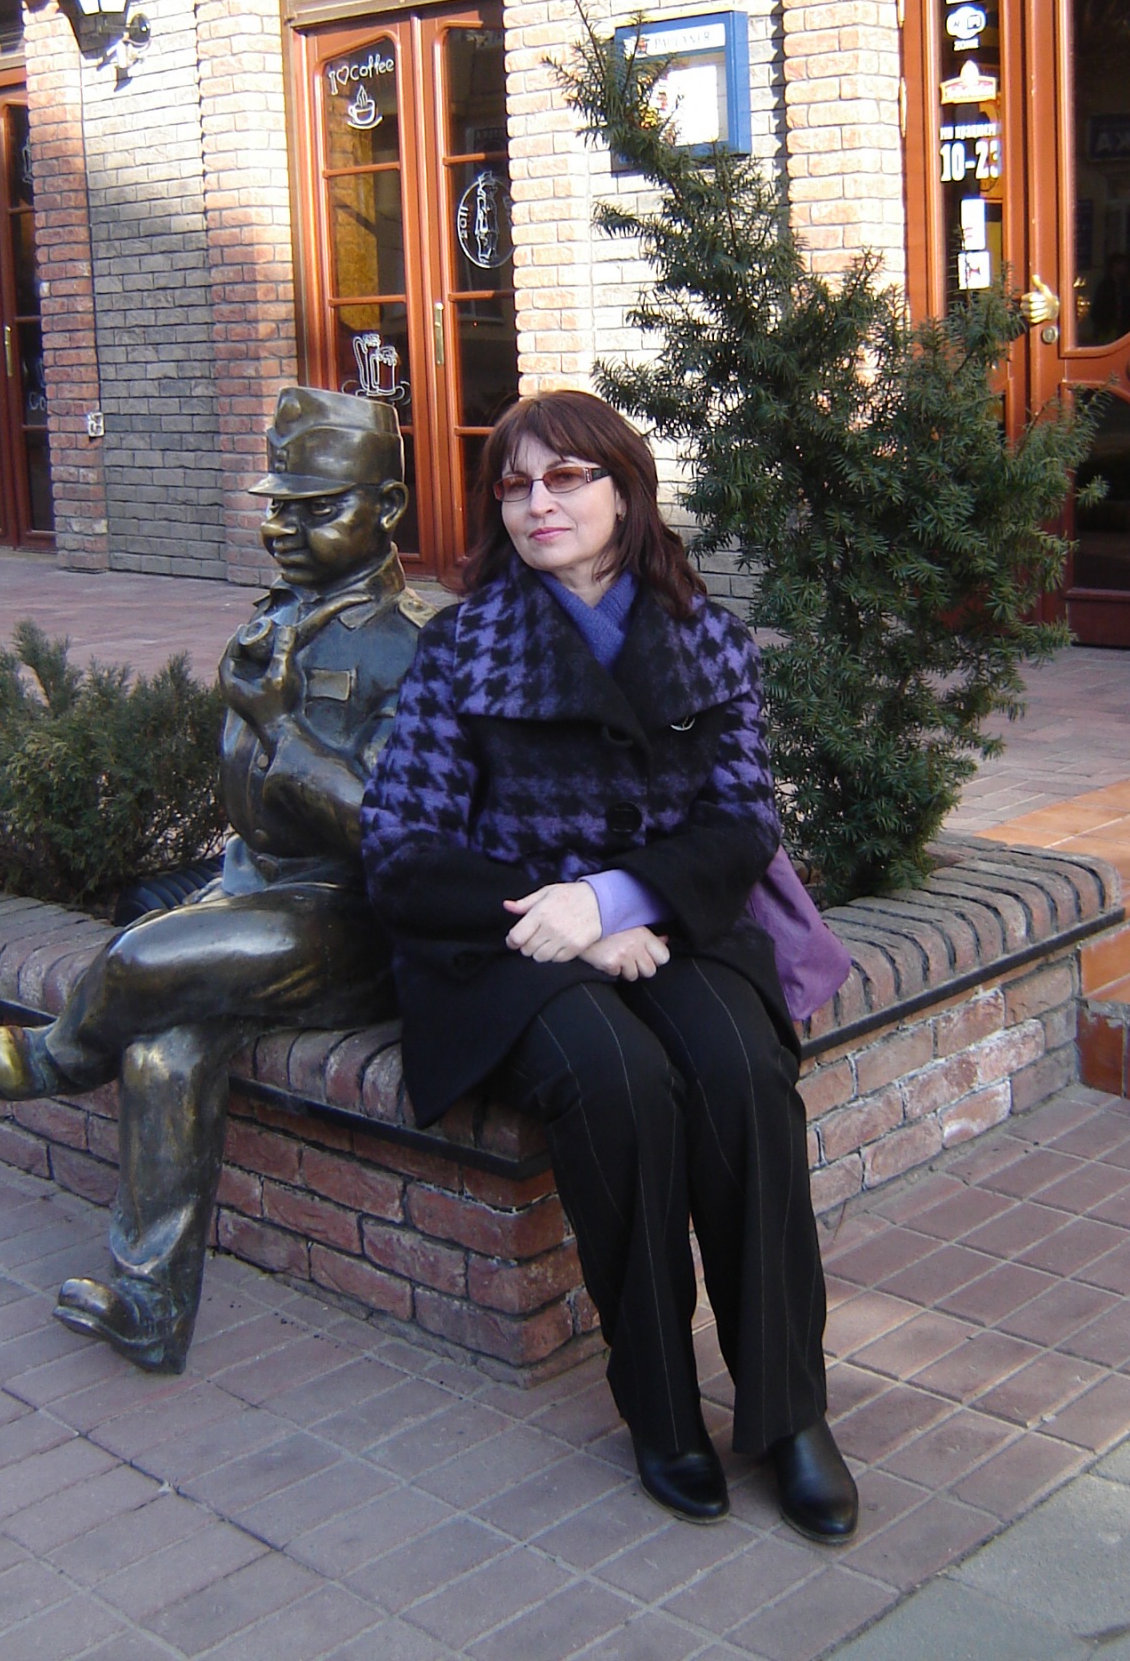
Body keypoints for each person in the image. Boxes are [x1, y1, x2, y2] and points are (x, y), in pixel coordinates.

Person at [360, 390, 858, 1543]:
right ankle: (662, 1408)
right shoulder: (462, 649)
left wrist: (615, 897)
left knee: (741, 1071)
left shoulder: (705, 637)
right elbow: (399, 847)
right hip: (504, 940)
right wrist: (571, 921)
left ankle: (789, 1411)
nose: (538, 503)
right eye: (514, 485)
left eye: (566, 477)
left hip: (666, 918)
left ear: (625, 491)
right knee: (615, 1079)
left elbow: (742, 823)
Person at [0, 386, 431, 1374]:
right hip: (256, 885)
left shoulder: (414, 648)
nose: (282, 530)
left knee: (142, 960)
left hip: (349, 917)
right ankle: (151, 1303)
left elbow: (384, 827)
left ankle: (61, 1053)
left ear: (388, 506)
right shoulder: (280, 616)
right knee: (164, 1050)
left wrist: (277, 725)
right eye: (277, 507)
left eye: (315, 509)